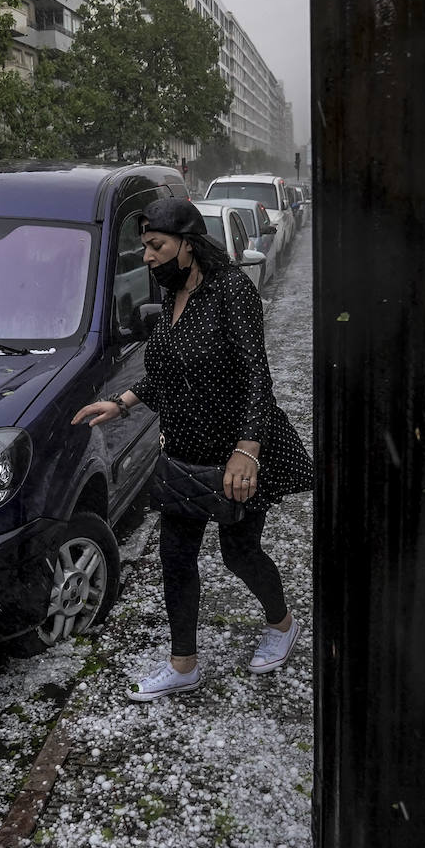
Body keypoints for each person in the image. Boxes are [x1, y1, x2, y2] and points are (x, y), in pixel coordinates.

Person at [71, 197, 312, 702]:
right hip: (181, 451)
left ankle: (282, 621)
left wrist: (247, 450)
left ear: (188, 243)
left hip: (234, 454)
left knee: (238, 552)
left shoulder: (230, 291)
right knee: (175, 558)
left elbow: (255, 377)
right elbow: (168, 372)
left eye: (157, 245)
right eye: (145, 247)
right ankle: (183, 665)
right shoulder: (172, 296)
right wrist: (123, 402)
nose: (149, 256)